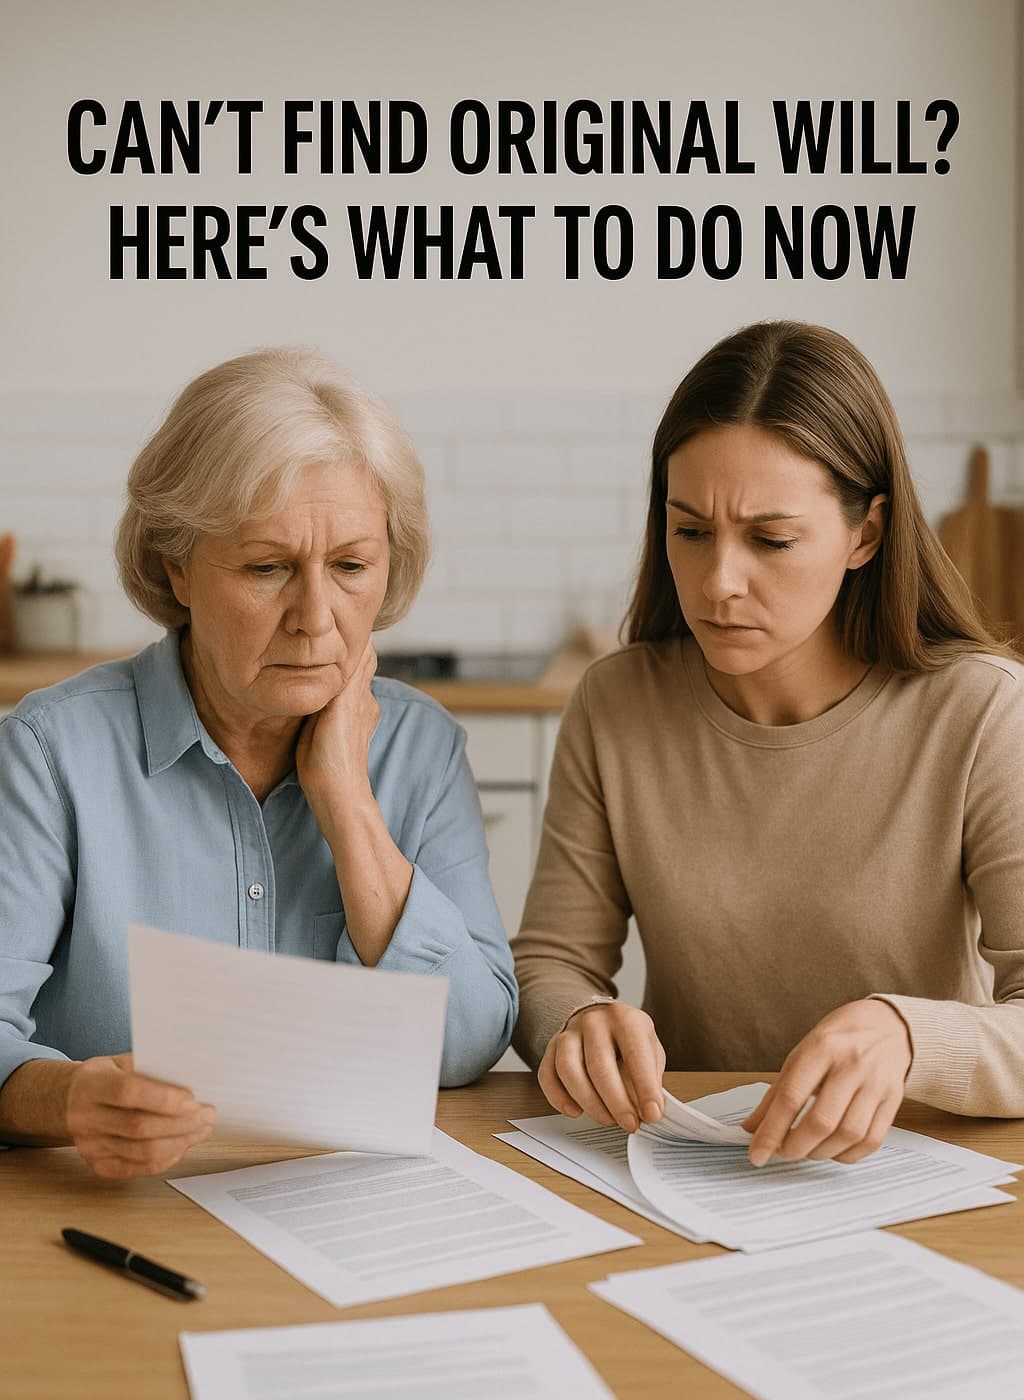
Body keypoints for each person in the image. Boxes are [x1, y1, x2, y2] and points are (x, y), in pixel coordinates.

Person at [513, 320, 1024, 1167]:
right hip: (690, 1166)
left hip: (909, 1171)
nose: (719, 582)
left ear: (866, 534)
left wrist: (909, 1036)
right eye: (690, 531)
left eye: (771, 539)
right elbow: (550, 963)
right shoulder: (616, 704)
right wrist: (576, 1023)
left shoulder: (980, 712)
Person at [0, 347, 517, 1178]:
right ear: (178, 566)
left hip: (344, 1210)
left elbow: (470, 1040)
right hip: (119, 1210)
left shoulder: (421, 749)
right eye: (266, 567)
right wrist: (66, 1099)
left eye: (351, 567)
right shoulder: (51, 754)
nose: (315, 617)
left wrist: (347, 802)